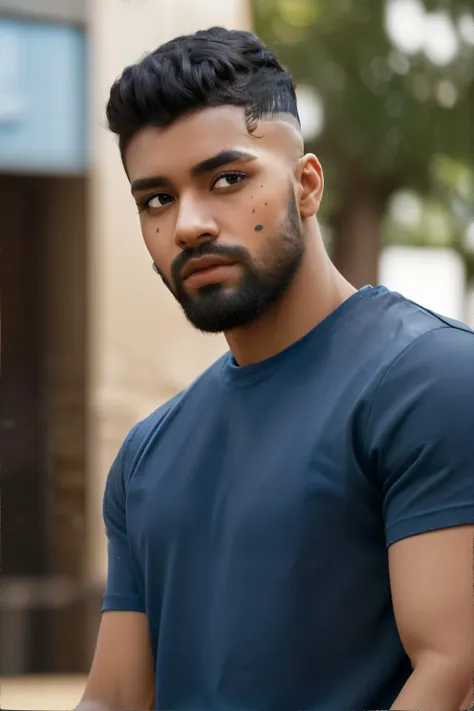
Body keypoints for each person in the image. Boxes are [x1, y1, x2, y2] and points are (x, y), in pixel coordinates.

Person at [78, 27, 474, 711]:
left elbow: (453, 671)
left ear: (307, 185)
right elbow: (114, 697)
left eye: (227, 179)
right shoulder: (146, 455)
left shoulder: (431, 380)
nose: (189, 224)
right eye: (156, 199)